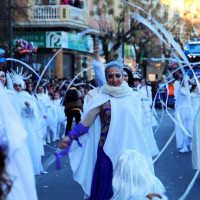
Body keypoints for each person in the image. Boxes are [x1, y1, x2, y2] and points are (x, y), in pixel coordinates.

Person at [58, 61, 153, 200]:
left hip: (128, 153)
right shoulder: (101, 98)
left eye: (117, 75)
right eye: (110, 76)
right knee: (107, 190)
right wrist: (70, 136)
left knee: (128, 190)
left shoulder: (132, 98)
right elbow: (86, 122)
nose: (114, 79)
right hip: (106, 152)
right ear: (106, 78)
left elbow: (137, 128)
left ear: (123, 76)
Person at [0, 82, 38, 200]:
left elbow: (33, 113)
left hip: (23, 125)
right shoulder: (10, 95)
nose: (17, 88)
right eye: (15, 85)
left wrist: (28, 106)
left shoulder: (26, 96)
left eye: (19, 85)